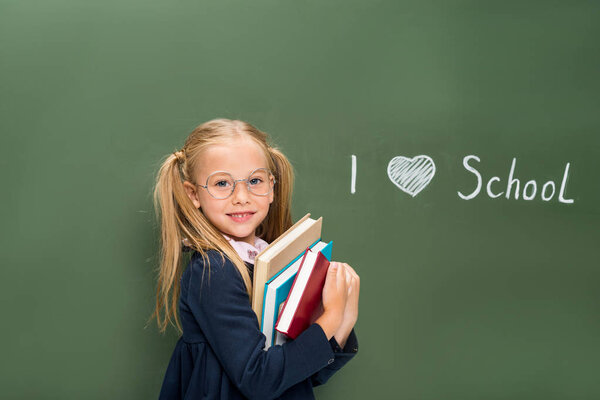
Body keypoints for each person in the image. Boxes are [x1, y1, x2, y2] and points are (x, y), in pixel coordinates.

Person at [152, 118, 360, 399]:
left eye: (255, 181)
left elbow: (301, 374)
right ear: (193, 194)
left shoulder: (275, 260)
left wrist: (343, 322)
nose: (241, 197)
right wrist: (331, 318)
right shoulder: (214, 272)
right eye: (222, 183)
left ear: (271, 187)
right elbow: (259, 381)